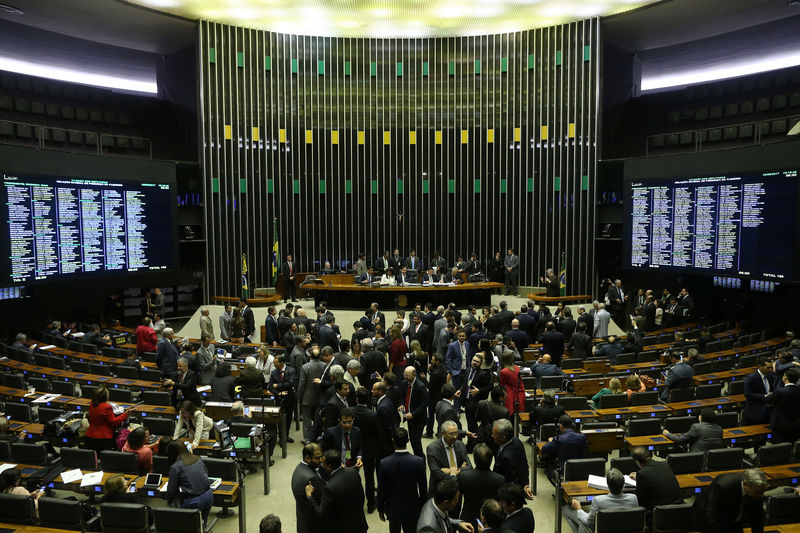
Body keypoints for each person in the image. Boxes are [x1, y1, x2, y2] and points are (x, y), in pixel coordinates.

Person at [378, 427, 427, 533]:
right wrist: (423, 507)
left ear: (392, 440)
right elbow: (423, 488)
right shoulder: (419, 461)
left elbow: (382, 489)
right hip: (412, 508)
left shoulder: (384, 463)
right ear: (408, 439)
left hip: (393, 508)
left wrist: (380, 509)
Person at [305, 449, 368, 533]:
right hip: (360, 525)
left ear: (329, 466)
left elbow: (320, 513)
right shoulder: (353, 472)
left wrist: (309, 496)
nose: (321, 465)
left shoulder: (329, 487)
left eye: (323, 463)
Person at [691, 468, 766, 533]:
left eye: (763, 492)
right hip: (708, 518)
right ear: (745, 485)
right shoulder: (722, 486)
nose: (761, 495)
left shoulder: (757, 489)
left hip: (734, 519)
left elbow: (758, 518)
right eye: (758, 492)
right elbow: (713, 517)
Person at [563, 468, 638, 533]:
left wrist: (579, 509)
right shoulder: (633, 498)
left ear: (608, 485)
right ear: (623, 484)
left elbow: (588, 521)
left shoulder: (598, 501)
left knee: (567, 509)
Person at [457, 443, 505, 528]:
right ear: (491, 460)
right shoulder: (500, 479)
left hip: (468, 519)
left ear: (474, 460)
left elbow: (457, 501)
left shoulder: (463, 476)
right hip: (491, 521)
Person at [165, 440, 213, 524]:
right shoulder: (198, 458)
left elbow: (171, 491)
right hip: (209, 496)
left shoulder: (175, 467)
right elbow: (205, 474)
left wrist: (168, 499)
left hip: (193, 502)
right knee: (203, 523)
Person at [629, 446, 683, 512]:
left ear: (637, 461)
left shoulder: (642, 474)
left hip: (661, 513)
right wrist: (638, 476)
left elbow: (639, 499)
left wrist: (640, 476)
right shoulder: (665, 464)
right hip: (680, 508)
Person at [426, 420, 472, 496]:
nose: (455, 436)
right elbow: (436, 473)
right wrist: (456, 472)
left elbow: (469, 467)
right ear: (443, 434)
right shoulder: (432, 449)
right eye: (451, 434)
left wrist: (451, 471)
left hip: (457, 492)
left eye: (456, 433)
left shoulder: (460, 445)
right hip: (440, 491)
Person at [541, 415, 587, 480]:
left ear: (561, 426)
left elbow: (544, 449)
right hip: (580, 468)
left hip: (564, 470)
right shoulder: (582, 437)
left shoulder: (558, 439)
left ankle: (560, 489)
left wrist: (550, 441)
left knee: (549, 471)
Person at [292, 443, 325, 533]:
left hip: (302, 516)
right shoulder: (312, 479)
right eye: (317, 458)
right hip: (312, 524)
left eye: (321, 456)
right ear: (307, 458)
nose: (321, 460)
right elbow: (320, 503)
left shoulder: (299, 468)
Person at [85, 385, 129, 453]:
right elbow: (114, 422)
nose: (108, 394)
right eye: (107, 393)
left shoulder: (92, 404)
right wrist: (126, 414)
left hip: (90, 436)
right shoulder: (107, 407)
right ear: (104, 396)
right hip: (103, 439)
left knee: (93, 459)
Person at [297, 347, 326, 443]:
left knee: (306, 421)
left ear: (310, 356)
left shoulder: (305, 367)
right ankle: (317, 437)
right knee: (318, 420)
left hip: (307, 398)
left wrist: (299, 397)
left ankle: (307, 440)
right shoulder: (324, 366)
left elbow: (302, 384)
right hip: (319, 398)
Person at [400, 366, 428, 458]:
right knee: (413, 440)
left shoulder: (421, 386)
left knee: (415, 442)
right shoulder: (404, 383)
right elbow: (402, 397)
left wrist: (413, 414)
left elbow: (424, 404)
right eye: (404, 374)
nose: (405, 377)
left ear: (414, 374)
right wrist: (401, 404)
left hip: (418, 419)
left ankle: (421, 460)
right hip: (409, 417)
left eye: (408, 375)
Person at [767, 366, 800, 443]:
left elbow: (768, 400)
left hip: (780, 426)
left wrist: (768, 395)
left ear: (785, 378)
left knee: (779, 449)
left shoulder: (780, 391)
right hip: (795, 425)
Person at [492, 418, 529, 487]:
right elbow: (524, 466)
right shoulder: (516, 440)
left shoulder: (506, 458)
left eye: (494, 434)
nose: (492, 436)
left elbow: (505, 480)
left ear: (503, 438)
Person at [268, 354, 296, 441]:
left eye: (276, 364)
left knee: (288, 418)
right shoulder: (274, 372)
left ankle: (285, 435)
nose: (274, 365)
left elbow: (290, 383)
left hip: (289, 398)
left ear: (282, 363)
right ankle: (280, 436)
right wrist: (279, 393)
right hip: (279, 398)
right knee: (279, 418)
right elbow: (270, 387)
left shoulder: (291, 370)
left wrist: (278, 385)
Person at [743, 357, 778, 425]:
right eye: (768, 368)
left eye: (771, 367)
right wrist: (764, 396)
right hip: (755, 412)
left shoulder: (770, 376)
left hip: (768, 411)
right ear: (760, 366)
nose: (770, 370)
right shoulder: (751, 378)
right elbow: (747, 394)